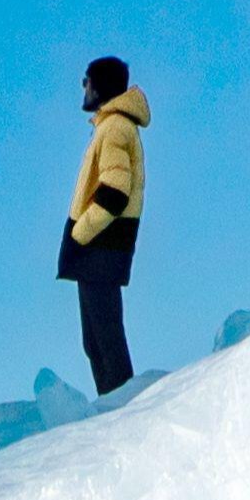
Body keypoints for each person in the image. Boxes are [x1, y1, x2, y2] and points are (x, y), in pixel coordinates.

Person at [58, 53, 147, 394]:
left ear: (100, 86)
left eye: (87, 80)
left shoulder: (115, 127)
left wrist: (80, 234)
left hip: (100, 246)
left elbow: (114, 191)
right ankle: (114, 409)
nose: (83, 86)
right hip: (98, 247)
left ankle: (123, 411)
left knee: (105, 341)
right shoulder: (111, 127)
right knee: (96, 342)